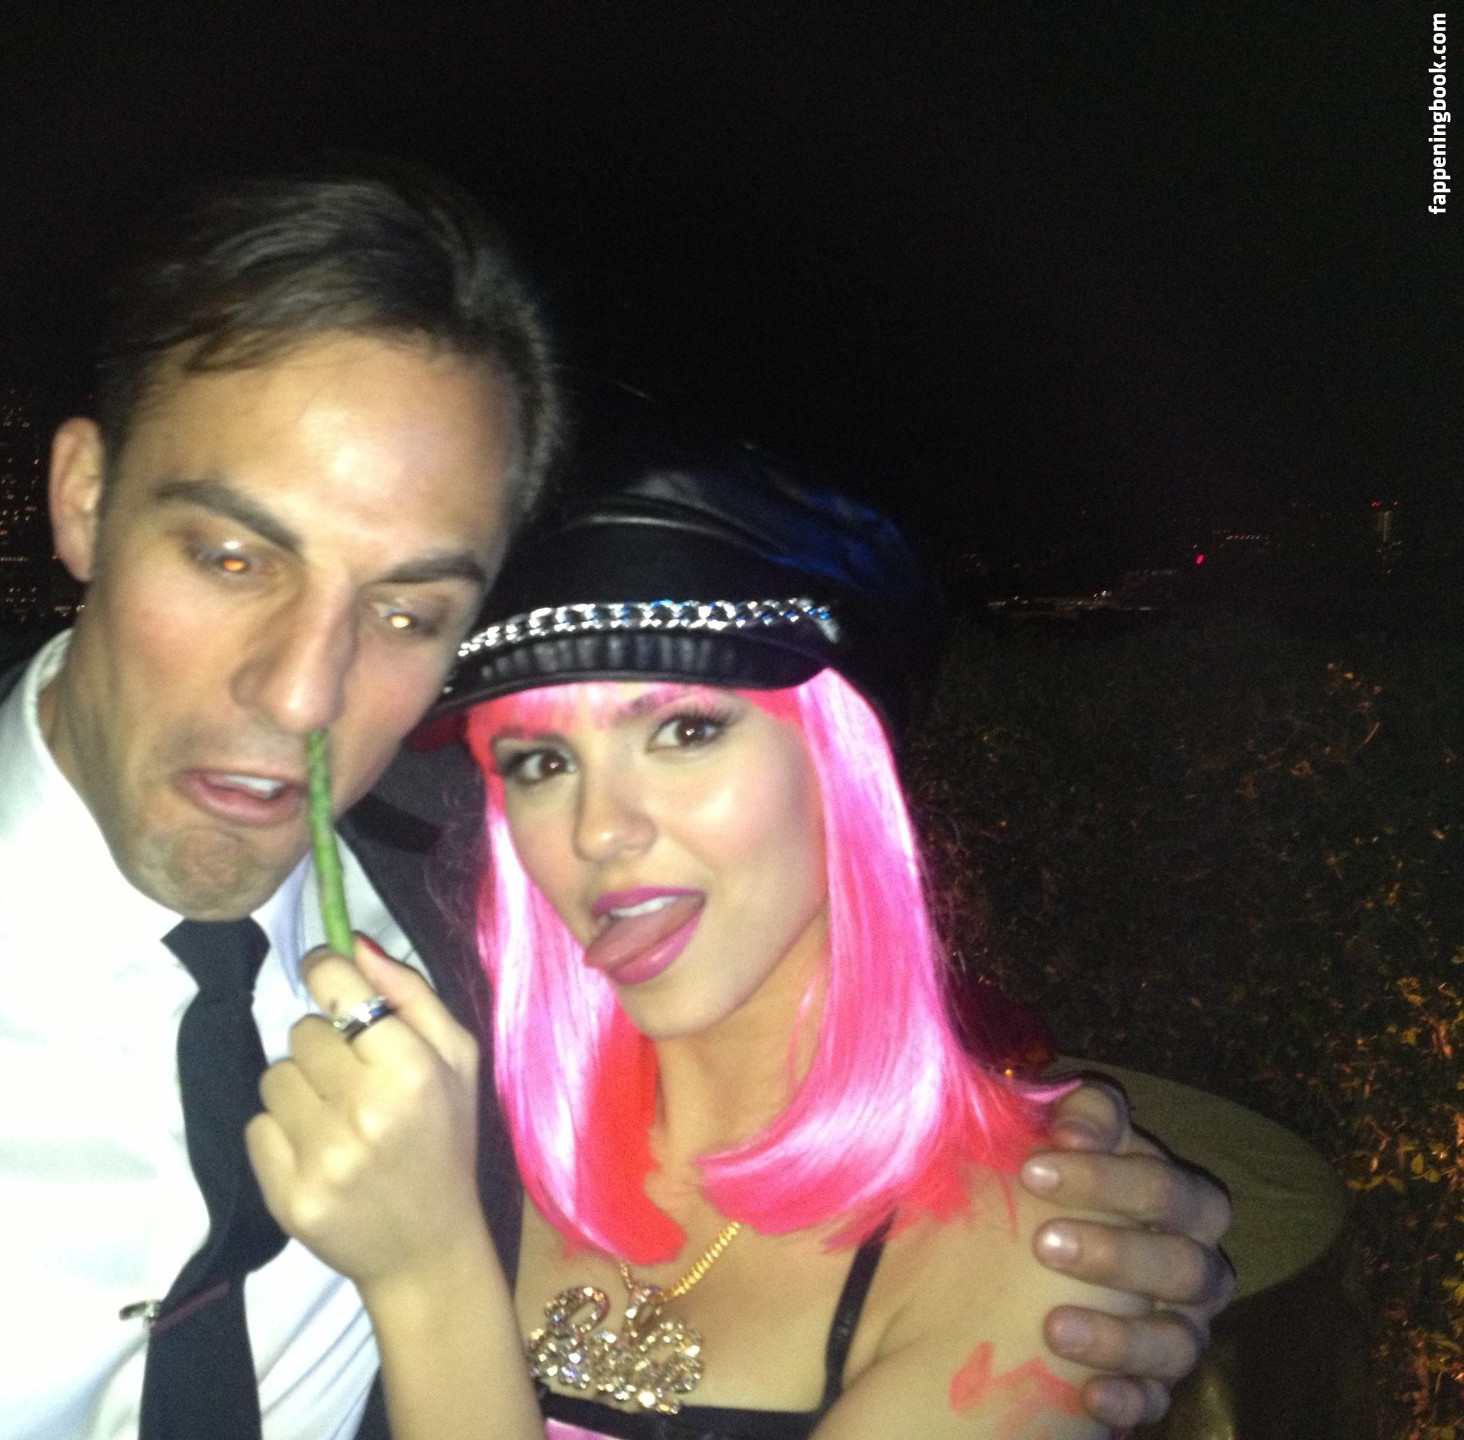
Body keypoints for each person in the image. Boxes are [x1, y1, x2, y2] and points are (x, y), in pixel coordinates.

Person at [0, 165, 1225, 1440]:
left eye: (410, 613)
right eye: (231, 556)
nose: (301, 695)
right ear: (80, 497)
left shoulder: (475, 955)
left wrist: (1113, 1209)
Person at [250, 451, 1231, 1438]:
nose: (600, 830)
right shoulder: (454, 1122)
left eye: (684, 732)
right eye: (543, 761)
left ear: (839, 759)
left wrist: (430, 1278)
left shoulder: (1039, 1249)